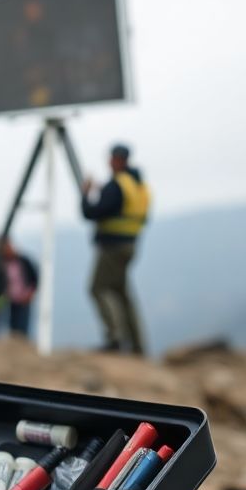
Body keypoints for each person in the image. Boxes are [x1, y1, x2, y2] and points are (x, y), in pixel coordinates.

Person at [81, 143, 150, 354]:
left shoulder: (117, 185)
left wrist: (86, 195)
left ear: (117, 160)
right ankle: (138, 345)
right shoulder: (138, 185)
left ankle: (115, 339)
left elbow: (92, 213)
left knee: (98, 287)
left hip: (112, 247)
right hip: (131, 245)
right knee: (121, 293)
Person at [1, 239, 39, 337]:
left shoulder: (24, 261)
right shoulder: (2, 263)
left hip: (24, 297)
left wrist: (30, 293)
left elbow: (34, 278)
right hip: (9, 299)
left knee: (23, 323)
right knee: (11, 323)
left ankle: (22, 342)